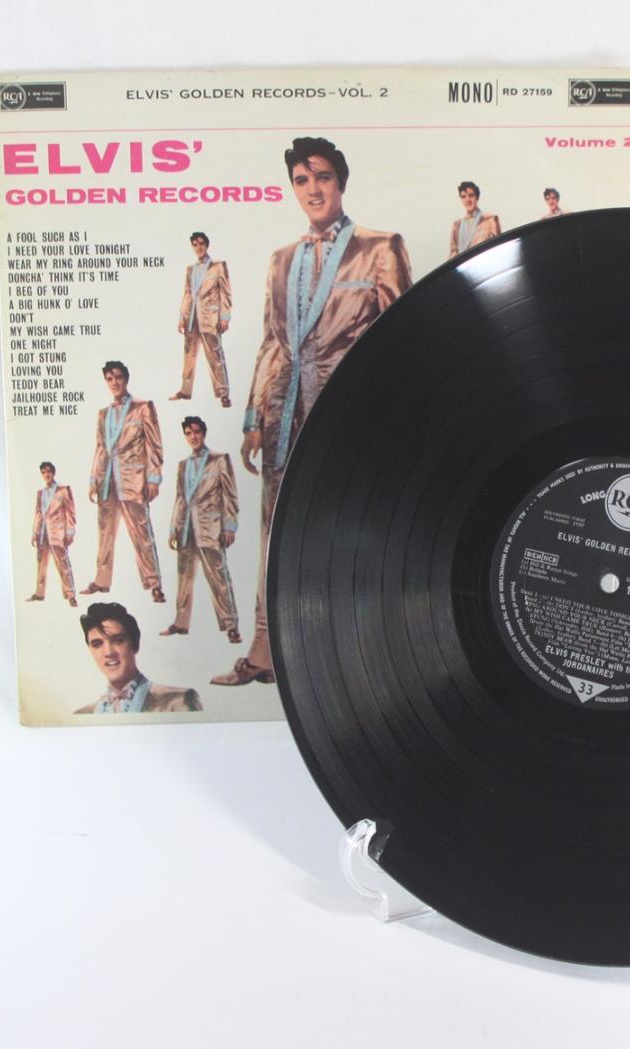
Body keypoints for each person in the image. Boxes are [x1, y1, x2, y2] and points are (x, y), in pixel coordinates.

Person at [213, 136, 413, 687]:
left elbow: (403, 337)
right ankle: (264, 653)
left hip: (350, 413)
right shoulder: (281, 259)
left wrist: (392, 419)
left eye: (322, 177)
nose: (313, 189)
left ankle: (356, 658)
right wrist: (254, 418)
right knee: (276, 530)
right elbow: (272, 342)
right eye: (302, 180)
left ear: (340, 182)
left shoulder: (380, 247)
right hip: (284, 415)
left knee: (354, 529)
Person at [82, 361, 166, 603]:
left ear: (126, 379)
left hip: (133, 479)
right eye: (109, 378)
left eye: (118, 377)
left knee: (141, 532)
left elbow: (154, 445)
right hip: (107, 480)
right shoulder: (103, 414)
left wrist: (153, 478)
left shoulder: (143, 407)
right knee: (105, 533)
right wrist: (93, 479)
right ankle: (102, 581)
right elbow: (100, 448)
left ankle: (154, 583)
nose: (114, 382)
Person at [162, 416, 240, 642]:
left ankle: (231, 625)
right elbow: (180, 498)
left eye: (196, 432)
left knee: (218, 577)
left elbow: (230, 495)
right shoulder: (183, 465)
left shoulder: (219, 460)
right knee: (183, 578)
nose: (193, 436)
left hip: (210, 528)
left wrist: (229, 526)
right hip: (186, 528)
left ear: (203, 433)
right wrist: (173, 529)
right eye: (188, 433)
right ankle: (180, 623)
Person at [75, 602, 202, 714]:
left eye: (118, 640)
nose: (108, 652)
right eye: (97, 644)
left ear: (135, 644)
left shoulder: (179, 701)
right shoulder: (83, 715)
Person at [171, 231, 233, 407]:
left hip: (209, 318)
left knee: (215, 356)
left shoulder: (218, 266)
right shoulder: (190, 269)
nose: (198, 247)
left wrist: (225, 317)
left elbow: (226, 292)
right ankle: (185, 390)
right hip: (191, 318)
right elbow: (187, 294)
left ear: (207, 245)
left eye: (201, 244)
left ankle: (223, 393)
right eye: (195, 244)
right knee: (188, 355)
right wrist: (182, 317)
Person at [26, 460, 77, 607]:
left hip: (57, 533)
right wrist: (34, 532)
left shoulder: (63, 490)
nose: (46, 475)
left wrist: (70, 532)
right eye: (43, 472)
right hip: (42, 533)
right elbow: (38, 513)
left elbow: (71, 512)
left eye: (48, 471)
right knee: (41, 564)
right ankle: (39, 593)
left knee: (63, 564)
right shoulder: (40, 493)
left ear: (53, 472)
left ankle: (71, 594)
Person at [449, 181, 501, 257]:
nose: (467, 200)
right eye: (463, 196)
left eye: (471, 195)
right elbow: (453, 253)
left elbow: (497, 249)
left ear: (477, 197)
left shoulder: (490, 220)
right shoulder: (456, 225)